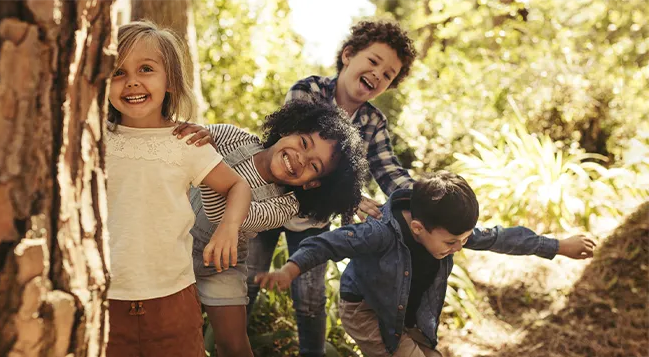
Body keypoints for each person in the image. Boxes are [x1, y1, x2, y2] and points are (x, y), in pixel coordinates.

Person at [173, 19, 419, 356]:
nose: (378, 73)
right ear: (348, 55)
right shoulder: (309, 91)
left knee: (311, 297)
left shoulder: (373, 123)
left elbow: (387, 167)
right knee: (246, 279)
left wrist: (419, 199)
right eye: (373, 61)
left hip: (301, 211)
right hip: (262, 195)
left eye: (388, 73)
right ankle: (215, 342)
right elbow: (280, 137)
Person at [255, 171, 597, 357]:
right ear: (418, 229)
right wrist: (291, 268)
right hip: (366, 312)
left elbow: (502, 237)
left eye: (463, 239)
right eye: (452, 242)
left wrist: (558, 246)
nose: (459, 247)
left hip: (407, 313)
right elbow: (328, 243)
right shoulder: (379, 234)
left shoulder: (449, 232)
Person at [104, 21, 251, 357]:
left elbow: (237, 185)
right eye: (118, 71)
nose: (133, 82)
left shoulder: (186, 142)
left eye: (146, 69)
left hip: (173, 301)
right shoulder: (94, 139)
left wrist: (228, 228)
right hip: (106, 298)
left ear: (169, 79)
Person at [189, 99, 368, 356]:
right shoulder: (235, 138)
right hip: (175, 241)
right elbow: (191, 140)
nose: (300, 159)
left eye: (314, 166)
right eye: (304, 143)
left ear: (312, 185)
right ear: (288, 129)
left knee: (234, 344)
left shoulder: (284, 206)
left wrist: (207, 163)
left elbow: (222, 216)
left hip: (221, 266)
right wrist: (197, 138)